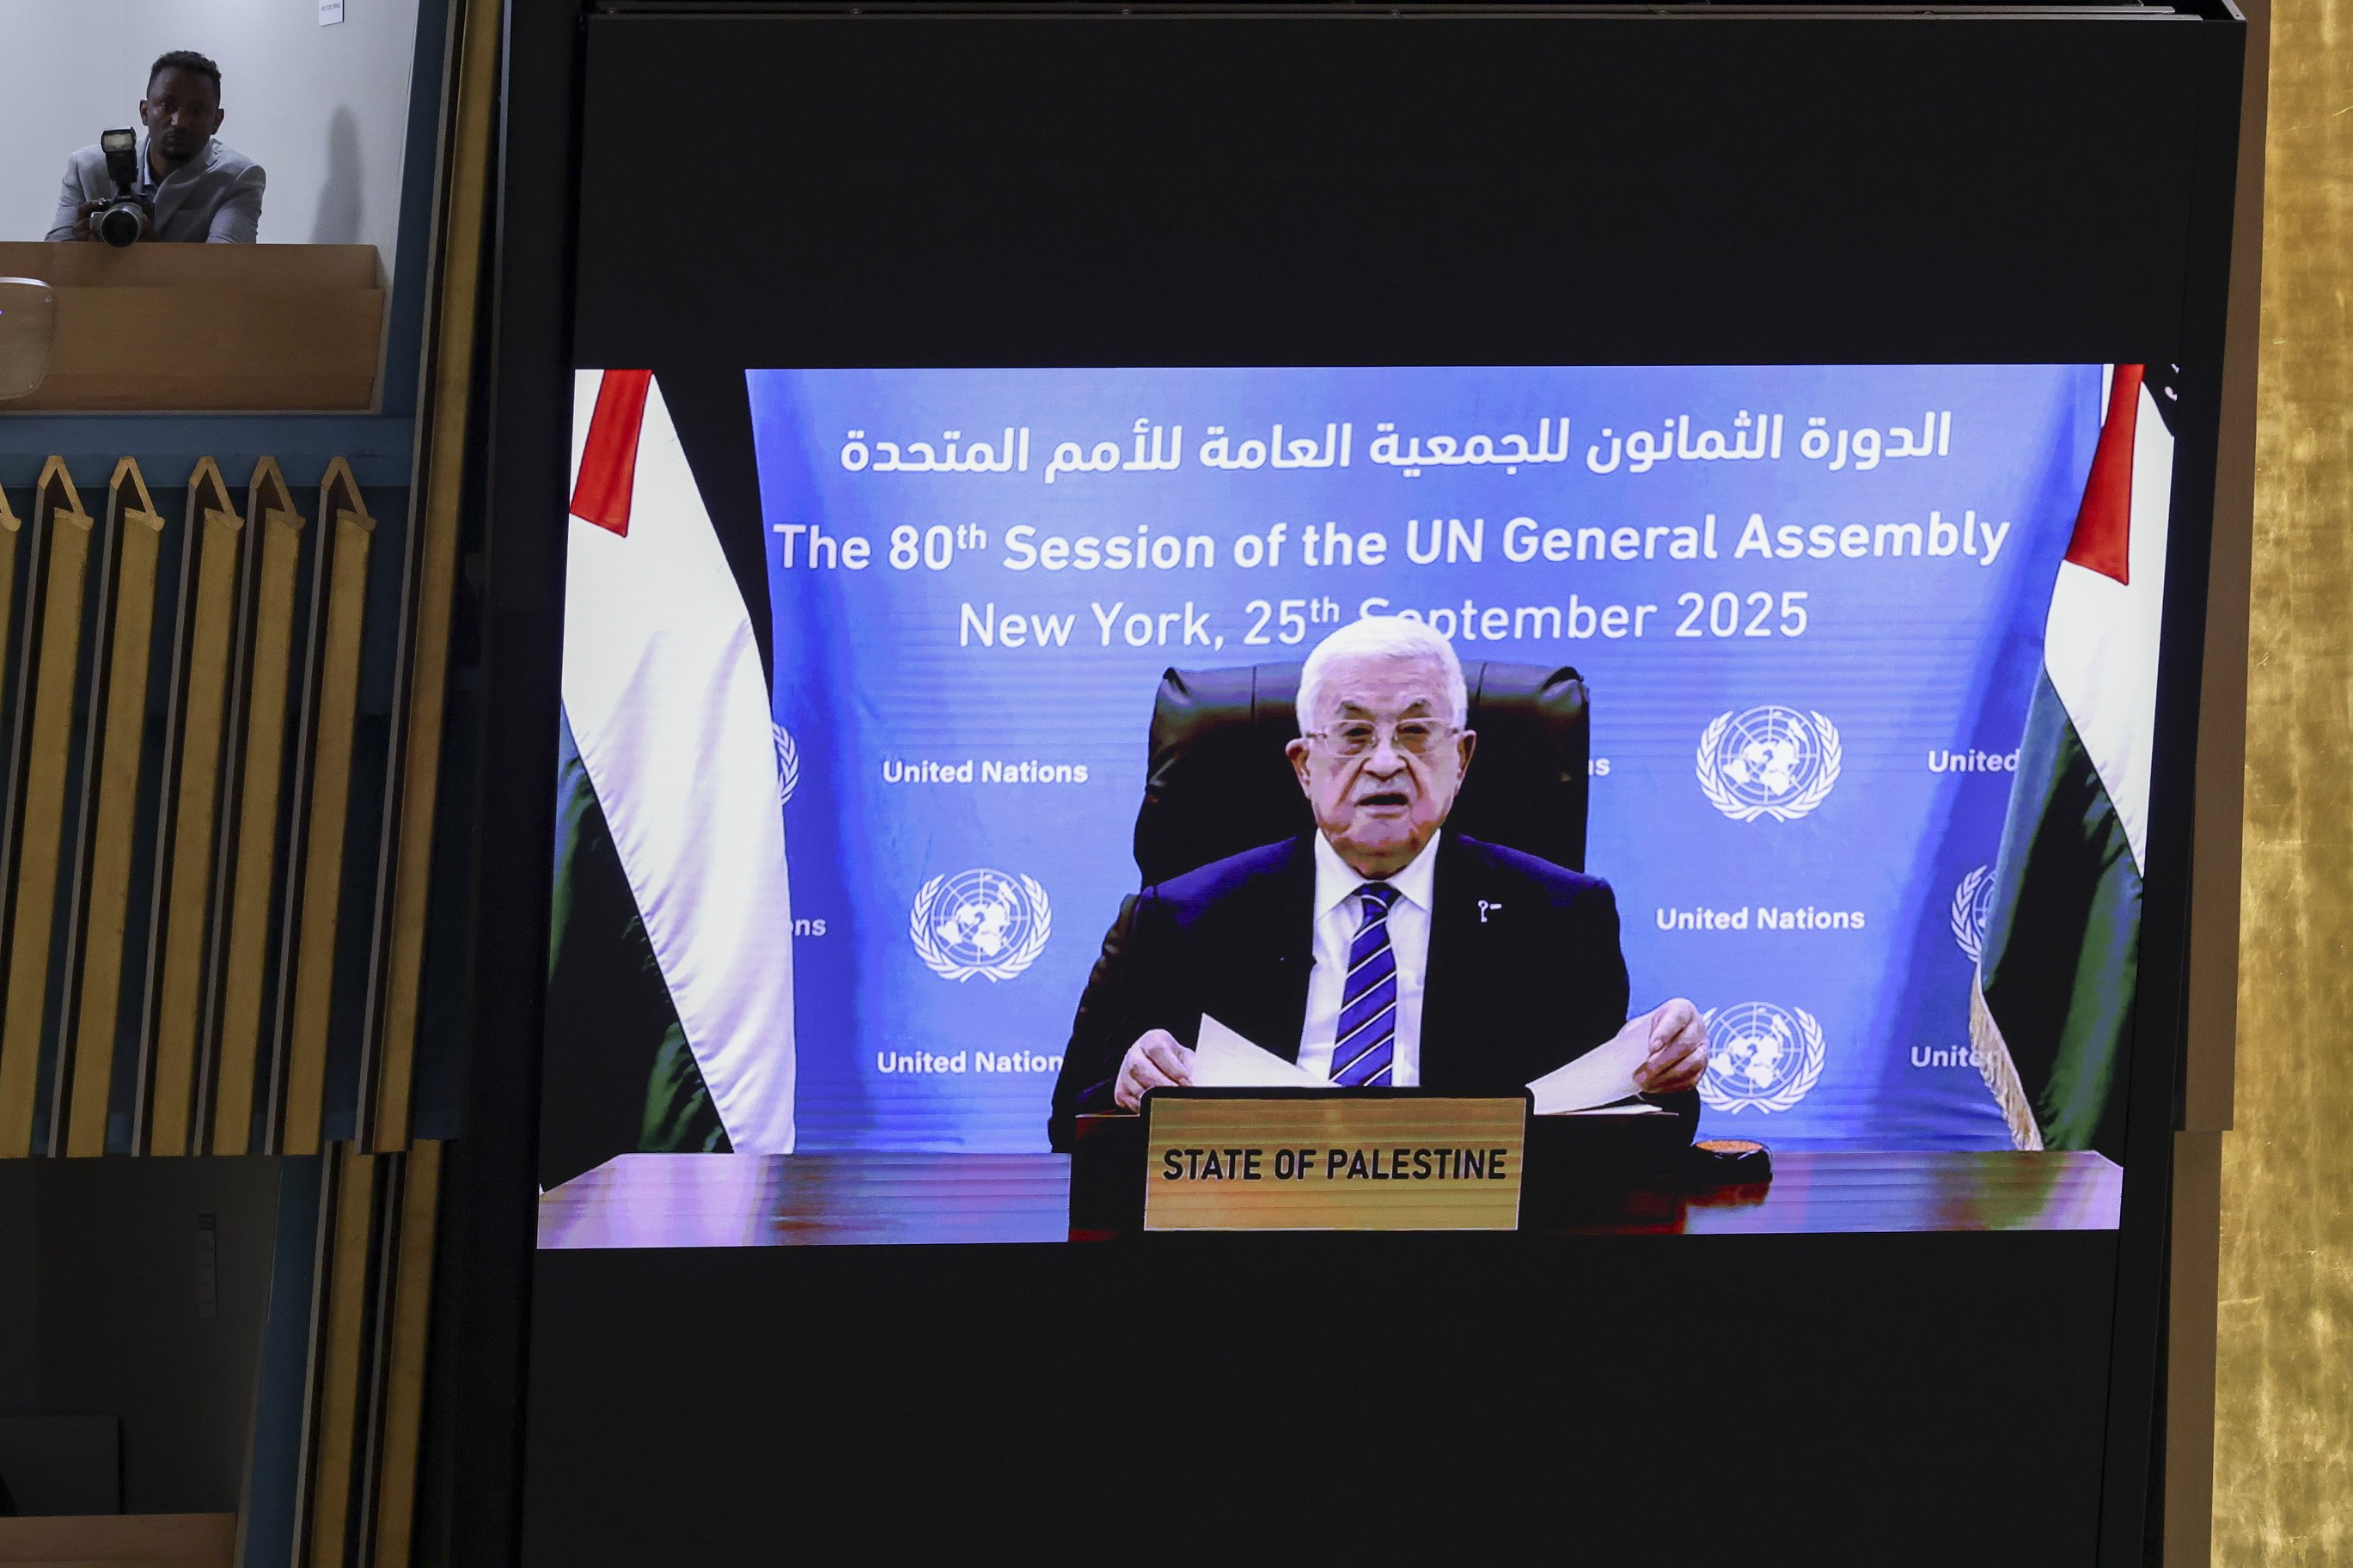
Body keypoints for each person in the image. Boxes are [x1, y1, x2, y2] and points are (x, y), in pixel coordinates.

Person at [1048, 614, 1707, 1150]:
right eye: (1354, 733)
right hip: (1244, 1257)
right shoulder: (1180, 920)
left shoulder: (1560, 918)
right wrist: (1128, 1084)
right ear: (1304, 766)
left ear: (1462, 758)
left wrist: (1665, 1075)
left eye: (1417, 731)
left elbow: (1620, 1129)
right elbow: (1072, 1123)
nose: (1386, 761)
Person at [47, 52, 264, 245]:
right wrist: (76, 249)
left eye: (196, 111)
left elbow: (226, 272)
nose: (179, 122)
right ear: (144, 111)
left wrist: (154, 258)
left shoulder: (237, 178)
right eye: (167, 106)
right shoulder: (88, 168)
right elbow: (51, 265)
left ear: (217, 120)